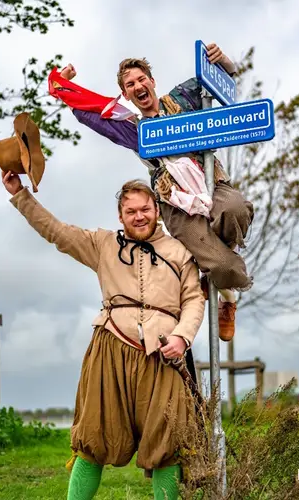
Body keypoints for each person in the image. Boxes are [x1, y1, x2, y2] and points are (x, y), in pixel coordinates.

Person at [3, 170, 205, 500]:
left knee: (167, 441)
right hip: (110, 348)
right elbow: (57, 232)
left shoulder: (179, 251)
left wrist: (182, 337)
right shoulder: (103, 244)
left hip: (163, 355)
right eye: (131, 211)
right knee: (92, 437)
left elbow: (194, 299)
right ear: (121, 216)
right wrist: (20, 195)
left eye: (145, 209)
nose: (139, 216)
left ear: (156, 209)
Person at [51, 42, 253, 342]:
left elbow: (223, 75)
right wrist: (62, 85)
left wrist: (222, 57)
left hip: (209, 178)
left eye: (141, 79)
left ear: (152, 81)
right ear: (126, 93)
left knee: (235, 208)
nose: (137, 86)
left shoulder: (181, 98)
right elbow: (89, 114)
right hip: (174, 199)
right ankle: (228, 297)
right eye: (130, 84)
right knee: (220, 263)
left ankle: (209, 264)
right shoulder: (131, 126)